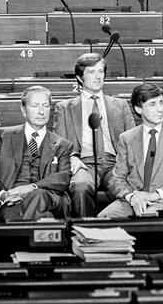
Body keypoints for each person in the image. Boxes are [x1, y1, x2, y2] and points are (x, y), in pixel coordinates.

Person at [98, 82, 163, 218]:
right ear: (139, 109)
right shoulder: (127, 138)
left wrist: (153, 195)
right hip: (134, 200)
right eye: (153, 104)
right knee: (103, 219)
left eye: (161, 103)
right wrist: (132, 197)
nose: (160, 109)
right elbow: (117, 179)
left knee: (147, 215)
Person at [54, 53, 135, 217]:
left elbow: (133, 141)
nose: (98, 76)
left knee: (128, 187)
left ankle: (118, 237)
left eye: (100, 71)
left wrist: (125, 164)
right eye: (91, 72)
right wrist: (71, 158)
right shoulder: (64, 107)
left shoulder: (120, 105)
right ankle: (85, 233)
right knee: (81, 186)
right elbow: (59, 144)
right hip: (84, 163)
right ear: (79, 77)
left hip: (115, 163)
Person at [0, 86, 72, 221]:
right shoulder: (3, 136)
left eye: (45, 106)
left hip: (49, 197)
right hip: (12, 198)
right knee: (43, 216)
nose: (41, 111)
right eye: (35, 106)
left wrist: (31, 187)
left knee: (37, 195)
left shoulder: (62, 145)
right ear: (24, 110)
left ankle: (14, 231)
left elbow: (63, 178)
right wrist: (3, 195)